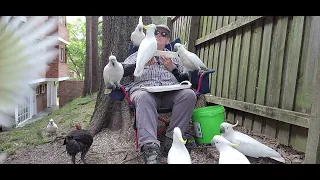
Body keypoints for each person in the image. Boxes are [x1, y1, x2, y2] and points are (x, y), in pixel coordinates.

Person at [122, 24, 197, 164]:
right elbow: (122, 71)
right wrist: (141, 64)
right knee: (143, 97)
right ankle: (150, 148)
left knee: (189, 94)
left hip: (171, 93)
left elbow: (186, 80)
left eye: (164, 34)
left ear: (168, 41)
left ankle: (172, 139)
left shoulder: (174, 57)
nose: (159, 35)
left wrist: (172, 69)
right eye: (156, 32)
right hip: (144, 91)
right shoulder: (138, 54)